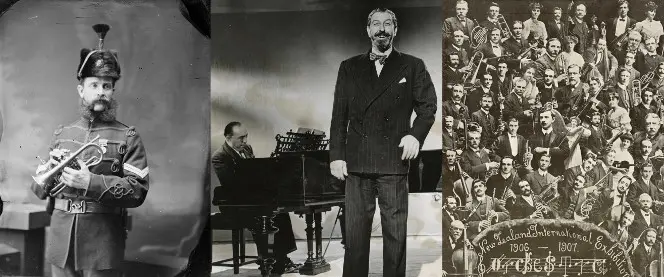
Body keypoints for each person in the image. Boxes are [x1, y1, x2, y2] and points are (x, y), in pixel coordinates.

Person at [30, 24, 149, 277]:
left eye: (107, 86)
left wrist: (90, 182)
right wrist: (51, 173)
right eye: (94, 85)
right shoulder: (62, 134)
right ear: (81, 90)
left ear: (113, 91)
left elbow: (138, 191)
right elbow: (39, 190)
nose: (101, 92)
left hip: (102, 240)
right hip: (60, 237)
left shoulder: (128, 136)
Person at [329, 8, 437, 277]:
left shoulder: (413, 65)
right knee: (354, 237)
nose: (381, 29)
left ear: (395, 30)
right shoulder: (349, 67)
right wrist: (336, 156)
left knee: (395, 236)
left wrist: (415, 134)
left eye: (387, 24)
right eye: (376, 24)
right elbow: (338, 116)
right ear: (368, 30)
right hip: (357, 164)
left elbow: (428, 109)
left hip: (393, 161)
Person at [210, 122, 301, 274]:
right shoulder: (220, 156)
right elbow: (230, 183)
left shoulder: (247, 149)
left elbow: (255, 173)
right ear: (228, 137)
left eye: (246, 136)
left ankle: (281, 259)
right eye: (240, 138)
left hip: (251, 199)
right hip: (234, 204)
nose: (245, 141)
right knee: (264, 217)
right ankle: (269, 261)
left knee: (280, 212)